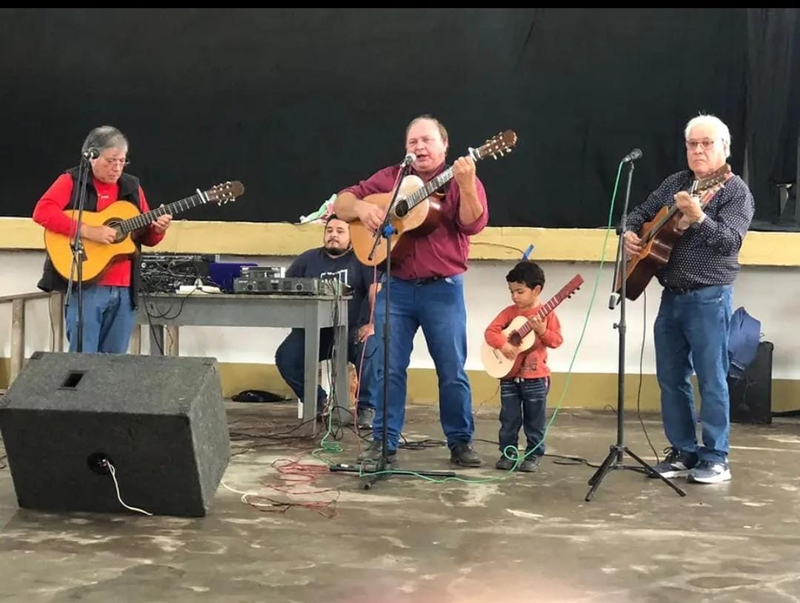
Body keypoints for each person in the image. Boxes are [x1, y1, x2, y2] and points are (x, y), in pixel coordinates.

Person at [333, 114, 488, 467]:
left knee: (451, 369)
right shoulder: (390, 178)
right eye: (412, 142)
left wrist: (465, 185)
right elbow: (342, 203)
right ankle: (383, 444)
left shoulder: (462, 178)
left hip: (443, 290)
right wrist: (362, 208)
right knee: (388, 367)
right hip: (396, 287)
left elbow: (473, 223)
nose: (419, 147)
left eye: (427, 140)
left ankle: (460, 442)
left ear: (444, 145)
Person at [624, 113, 755, 484]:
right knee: (670, 378)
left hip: (709, 298)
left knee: (712, 380)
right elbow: (637, 214)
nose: (698, 150)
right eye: (692, 144)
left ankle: (716, 458)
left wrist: (699, 217)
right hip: (671, 296)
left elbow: (731, 242)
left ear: (724, 149)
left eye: (706, 144)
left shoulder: (734, 191)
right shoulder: (676, 183)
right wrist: (630, 233)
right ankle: (683, 451)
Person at [33, 125, 172, 354]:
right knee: (82, 360)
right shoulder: (71, 181)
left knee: (113, 364)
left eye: (121, 161)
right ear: (92, 156)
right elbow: (42, 212)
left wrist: (158, 230)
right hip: (86, 285)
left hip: (125, 288)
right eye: (111, 161)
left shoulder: (132, 187)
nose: (117, 167)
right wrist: (87, 230)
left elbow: (146, 237)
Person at [274, 214, 378, 429]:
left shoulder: (362, 259)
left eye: (340, 231)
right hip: (316, 333)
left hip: (351, 331)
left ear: (351, 237)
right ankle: (319, 401)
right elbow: (285, 289)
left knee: (371, 350)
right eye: (329, 230)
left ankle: (367, 408)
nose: (333, 236)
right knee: (286, 356)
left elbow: (375, 291)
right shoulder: (307, 260)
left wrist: (373, 324)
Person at [484, 261, 563, 472]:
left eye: (520, 291)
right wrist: (504, 345)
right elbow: (490, 332)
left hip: (536, 379)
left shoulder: (547, 315)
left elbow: (556, 341)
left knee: (534, 421)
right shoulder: (510, 313)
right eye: (512, 292)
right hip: (509, 378)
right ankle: (508, 454)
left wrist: (542, 331)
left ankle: (533, 456)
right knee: (508, 420)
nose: (515, 297)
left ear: (536, 290)